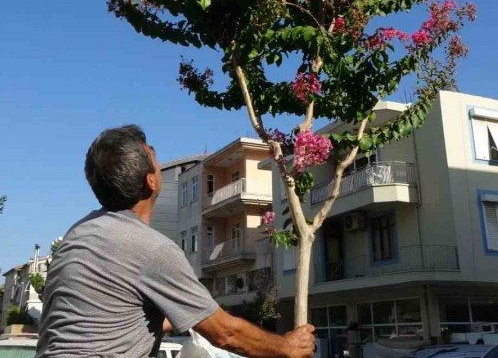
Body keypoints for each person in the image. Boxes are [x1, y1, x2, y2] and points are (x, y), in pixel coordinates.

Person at [36, 125, 316, 358]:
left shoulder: (76, 237)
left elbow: (99, 316)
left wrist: (169, 318)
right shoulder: (151, 248)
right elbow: (226, 334)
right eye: (155, 158)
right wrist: (288, 346)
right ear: (151, 182)